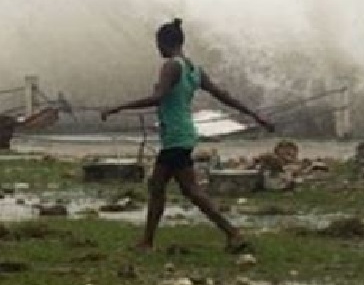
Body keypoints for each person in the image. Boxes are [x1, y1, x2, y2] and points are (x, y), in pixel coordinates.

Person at [102, 18, 274, 253]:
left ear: (165, 42)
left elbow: (159, 97)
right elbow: (223, 95)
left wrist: (117, 107)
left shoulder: (172, 66)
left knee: (179, 188)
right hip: (183, 134)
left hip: (174, 136)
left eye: (158, 44)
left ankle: (230, 233)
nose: (157, 49)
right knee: (169, 186)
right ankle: (151, 241)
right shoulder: (194, 69)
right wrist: (254, 115)